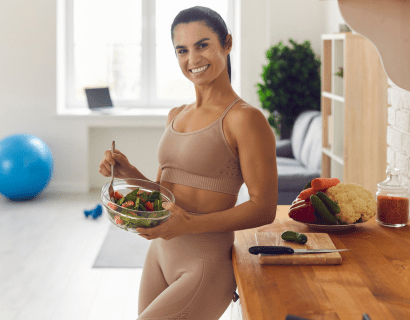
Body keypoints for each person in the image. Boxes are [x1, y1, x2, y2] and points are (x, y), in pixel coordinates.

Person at [99, 6, 278, 320]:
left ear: (227, 43)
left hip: (205, 263)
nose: (192, 59)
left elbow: (264, 207)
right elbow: (165, 195)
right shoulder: (176, 115)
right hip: (160, 253)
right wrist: (129, 174)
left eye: (203, 45)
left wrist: (190, 225)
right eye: (182, 50)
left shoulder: (245, 119)